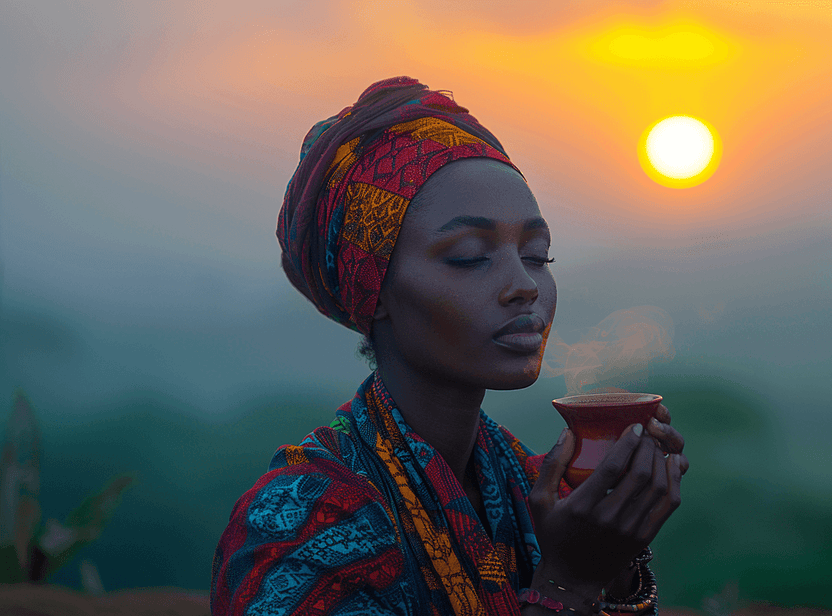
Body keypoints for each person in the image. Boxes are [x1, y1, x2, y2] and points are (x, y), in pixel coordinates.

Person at [210, 76, 689, 616]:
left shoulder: (526, 487)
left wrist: (616, 563)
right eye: (468, 255)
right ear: (378, 288)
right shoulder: (297, 529)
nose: (525, 285)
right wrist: (567, 585)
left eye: (537, 255)